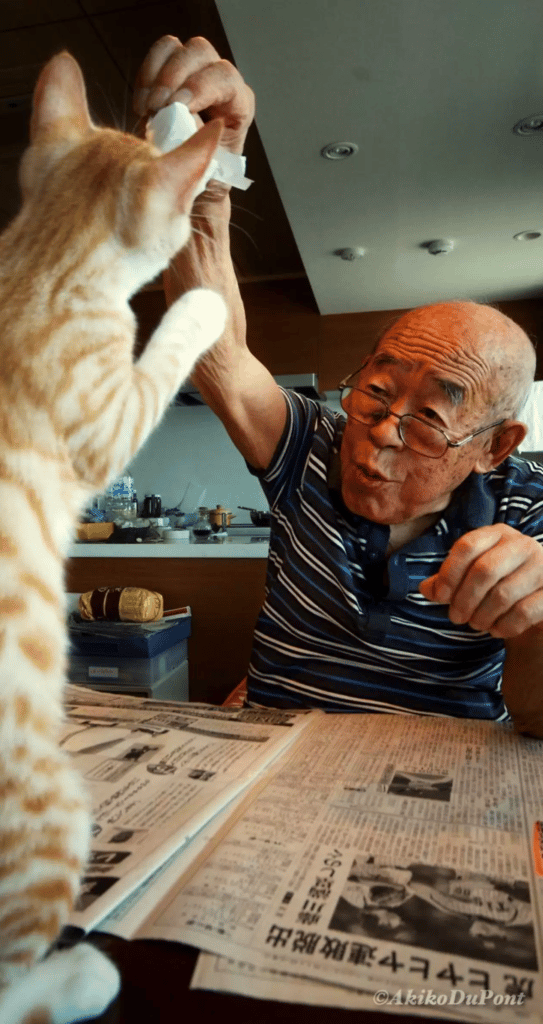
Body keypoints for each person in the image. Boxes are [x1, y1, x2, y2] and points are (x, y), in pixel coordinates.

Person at [133, 36, 543, 735]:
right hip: (271, 749)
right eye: (375, 395)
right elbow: (215, 348)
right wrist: (213, 173)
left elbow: (535, 721)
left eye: (424, 423)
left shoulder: (528, 510)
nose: (379, 435)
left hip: (440, 770)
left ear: (494, 448)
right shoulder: (310, 443)